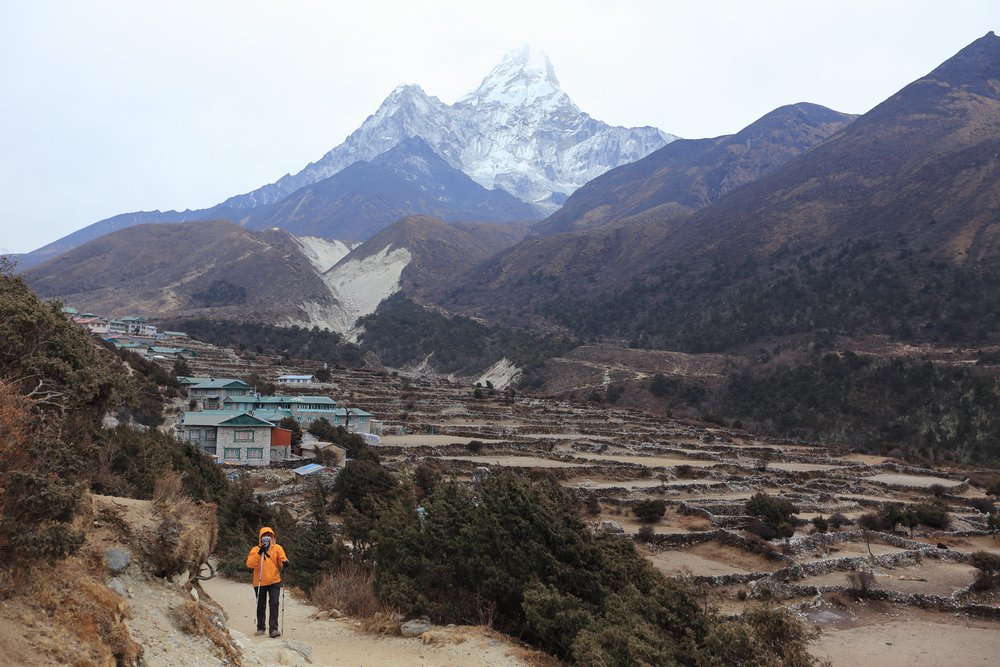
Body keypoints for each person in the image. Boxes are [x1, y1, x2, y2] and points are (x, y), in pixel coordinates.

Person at [246, 526, 290, 637]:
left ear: (272, 537)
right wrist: (260, 552)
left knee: (274, 603)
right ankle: (260, 628)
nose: (267, 537)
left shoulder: (277, 548)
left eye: (269, 536)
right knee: (260, 605)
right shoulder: (255, 550)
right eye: (264, 536)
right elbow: (250, 564)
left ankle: (273, 629)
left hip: (274, 580)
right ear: (260, 538)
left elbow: (281, 559)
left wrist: (284, 562)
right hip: (259, 582)